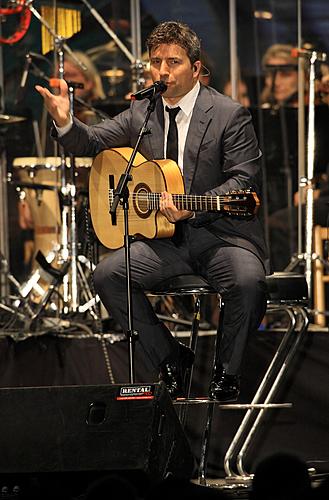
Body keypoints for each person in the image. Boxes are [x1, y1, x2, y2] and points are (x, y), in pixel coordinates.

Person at [35, 21, 268, 402]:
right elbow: (92, 141)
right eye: (155, 61)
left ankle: (228, 374)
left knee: (247, 282)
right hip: (165, 241)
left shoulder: (229, 114)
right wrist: (64, 121)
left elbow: (244, 182)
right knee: (109, 274)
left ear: (195, 68)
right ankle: (170, 357)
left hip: (221, 234)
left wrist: (191, 211)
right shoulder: (144, 110)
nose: (162, 71)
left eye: (172, 62)